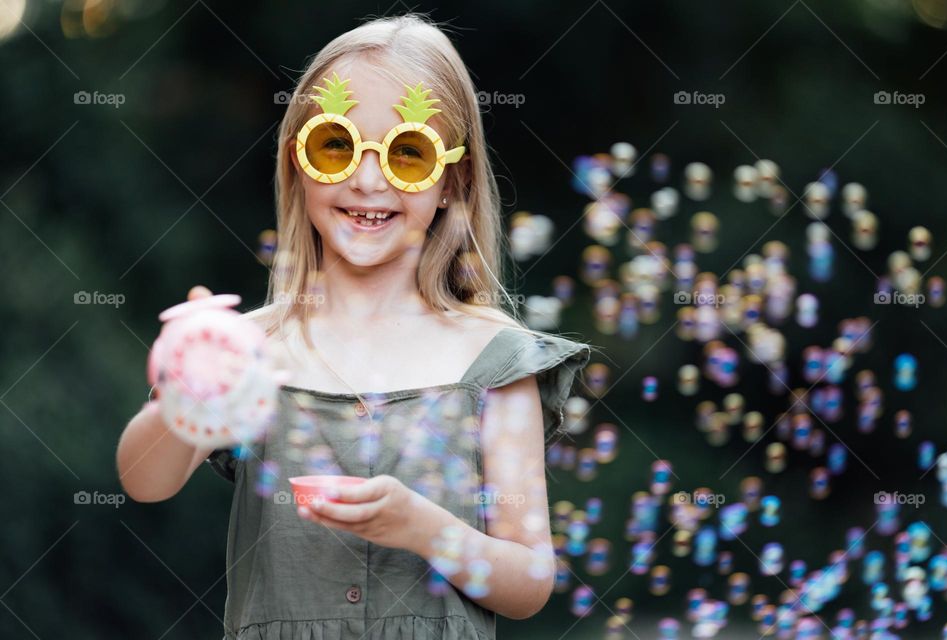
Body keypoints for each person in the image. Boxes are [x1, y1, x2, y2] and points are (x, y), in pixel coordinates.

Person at [116, 13, 591, 640]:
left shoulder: (494, 361)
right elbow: (144, 480)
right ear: (298, 160)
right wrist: (186, 393)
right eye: (335, 144)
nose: (368, 180)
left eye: (408, 154)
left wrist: (425, 529)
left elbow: (529, 582)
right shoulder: (252, 351)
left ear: (454, 179)